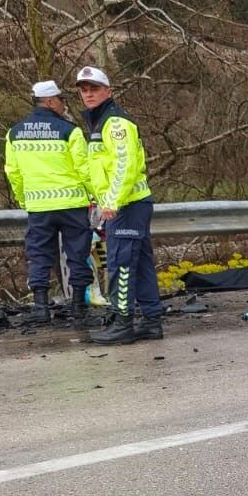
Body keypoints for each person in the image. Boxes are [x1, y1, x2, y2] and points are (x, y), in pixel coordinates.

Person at [76, 66, 165, 344]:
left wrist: (111, 202)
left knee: (121, 264)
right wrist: (98, 199)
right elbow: (100, 171)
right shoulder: (99, 122)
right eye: (83, 89)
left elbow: (125, 165)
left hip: (126, 205)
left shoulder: (114, 123)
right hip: (126, 205)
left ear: (108, 91)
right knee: (140, 265)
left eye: (94, 88)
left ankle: (122, 322)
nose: (88, 94)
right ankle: (151, 321)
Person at [3, 80, 94, 325]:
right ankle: (78, 306)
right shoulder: (70, 131)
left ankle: (41, 308)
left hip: (39, 207)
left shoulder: (15, 133)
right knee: (77, 254)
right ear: (51, 101)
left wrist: (24, 199)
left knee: (39, 255)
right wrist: (93, 195)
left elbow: (13, 172)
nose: (64, 104)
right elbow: (84, 169)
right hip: (72, 204)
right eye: (62, 100)